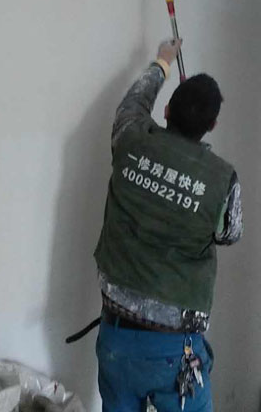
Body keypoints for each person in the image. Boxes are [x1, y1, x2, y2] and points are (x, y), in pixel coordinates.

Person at [93, 39, 243, 411]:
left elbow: (133, 102)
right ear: (212, 125)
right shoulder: (222, 180)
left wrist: (163, 61)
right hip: (175, 349)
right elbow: (229, 233)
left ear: (166, 110)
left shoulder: (129, 137)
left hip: (116, 337)